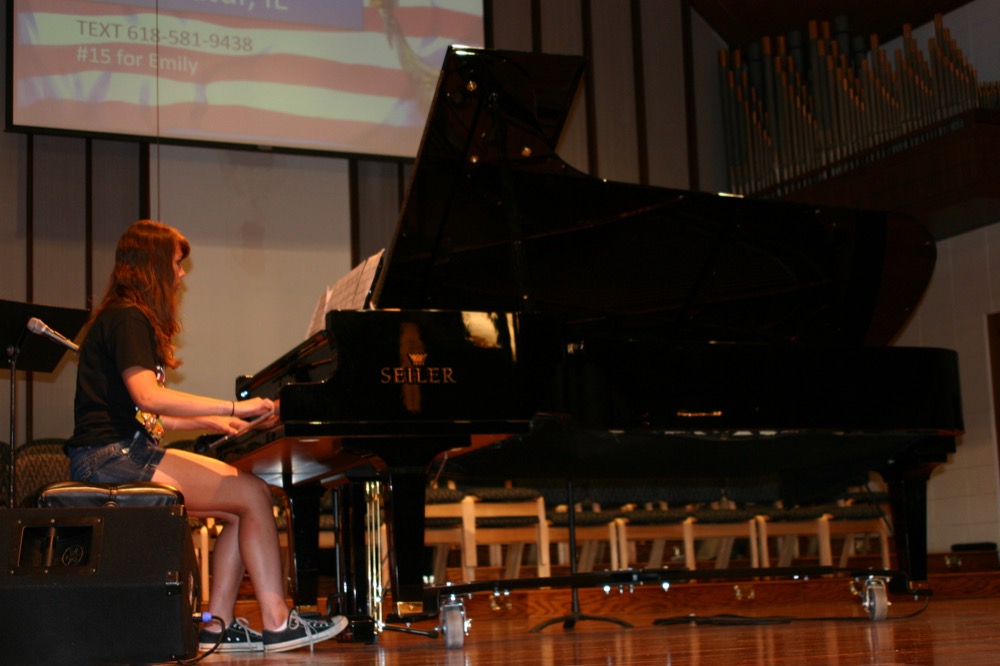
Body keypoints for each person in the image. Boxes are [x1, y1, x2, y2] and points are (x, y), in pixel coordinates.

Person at [63, 219, 347, 654]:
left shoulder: (125, 317)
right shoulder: (127, 318)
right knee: (254, 495)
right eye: (177, 264)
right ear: (153, 264)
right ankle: (277, 622)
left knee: (242, 507)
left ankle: (217, 626)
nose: (180, 274)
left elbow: (145, 414)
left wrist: (218, 423)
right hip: (110, 457)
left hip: (116, 451)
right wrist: (231, 408)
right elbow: (148, 396)